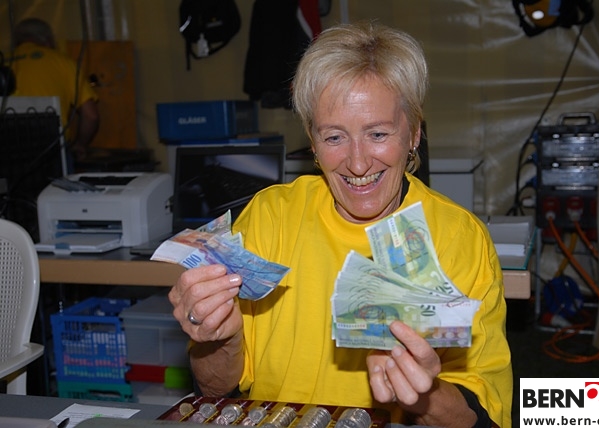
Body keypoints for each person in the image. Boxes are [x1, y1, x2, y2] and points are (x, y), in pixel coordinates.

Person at [169, 21, 513, 428]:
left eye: (378, 133)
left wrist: (425, 394)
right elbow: (215, 390)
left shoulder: (458, 239)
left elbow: (481, 420)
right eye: (334, 138)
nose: (358, 163)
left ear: (414, 134)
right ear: (313, 143)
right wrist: (220, 338)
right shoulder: (270, 217)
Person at [10, 18, 99, 162]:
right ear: (48, 40)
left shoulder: (4, 63)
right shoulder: (62, 62)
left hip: (8, 151)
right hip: (52, 150)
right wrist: (80, 145)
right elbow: (91, 115)